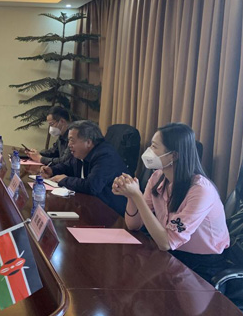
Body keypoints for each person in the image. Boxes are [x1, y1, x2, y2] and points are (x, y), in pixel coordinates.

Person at [112, 123, 229, 281]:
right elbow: (134, 225)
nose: (149, 151)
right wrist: (131, 196)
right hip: (171, 254)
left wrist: (137, 195)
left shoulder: (201, 190)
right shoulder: (157, 177)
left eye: (154, 147)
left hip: (202, 265)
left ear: (173, 155)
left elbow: (166, 242)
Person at [41, 120, 127, 215]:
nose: (69, 145)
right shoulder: (82, 153)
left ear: (88, 142)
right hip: (90, 206)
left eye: (72, 140)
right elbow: (68, 166)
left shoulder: (105, 156)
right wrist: (52, 170)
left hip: (111, 213)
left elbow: (92, 186)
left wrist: (64, 180)